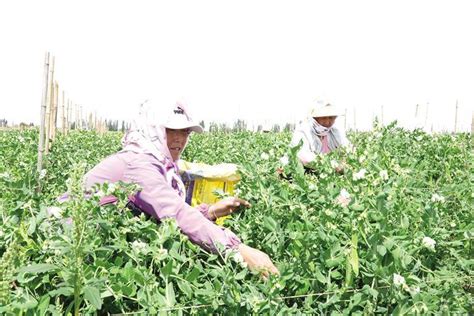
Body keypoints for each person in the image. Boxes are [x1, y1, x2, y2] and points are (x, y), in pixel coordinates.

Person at [83, 99, 279, 277]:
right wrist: (238, 249)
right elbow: (175, 214)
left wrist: (210, 211)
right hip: (70, 243)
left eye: (184, 131)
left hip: (94, 246)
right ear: (153, 129)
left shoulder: (160, 163)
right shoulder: (138, 163)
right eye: (170, 130)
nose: (179, 139)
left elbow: (167, 217)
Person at [290, 99, 350, 166]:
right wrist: (332, 165)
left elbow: (347, 148)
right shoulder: (303, 132)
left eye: (331, 118)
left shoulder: (335, 132)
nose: (327, 122)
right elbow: (301, 156)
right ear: (315, 118)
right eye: (323, 118)